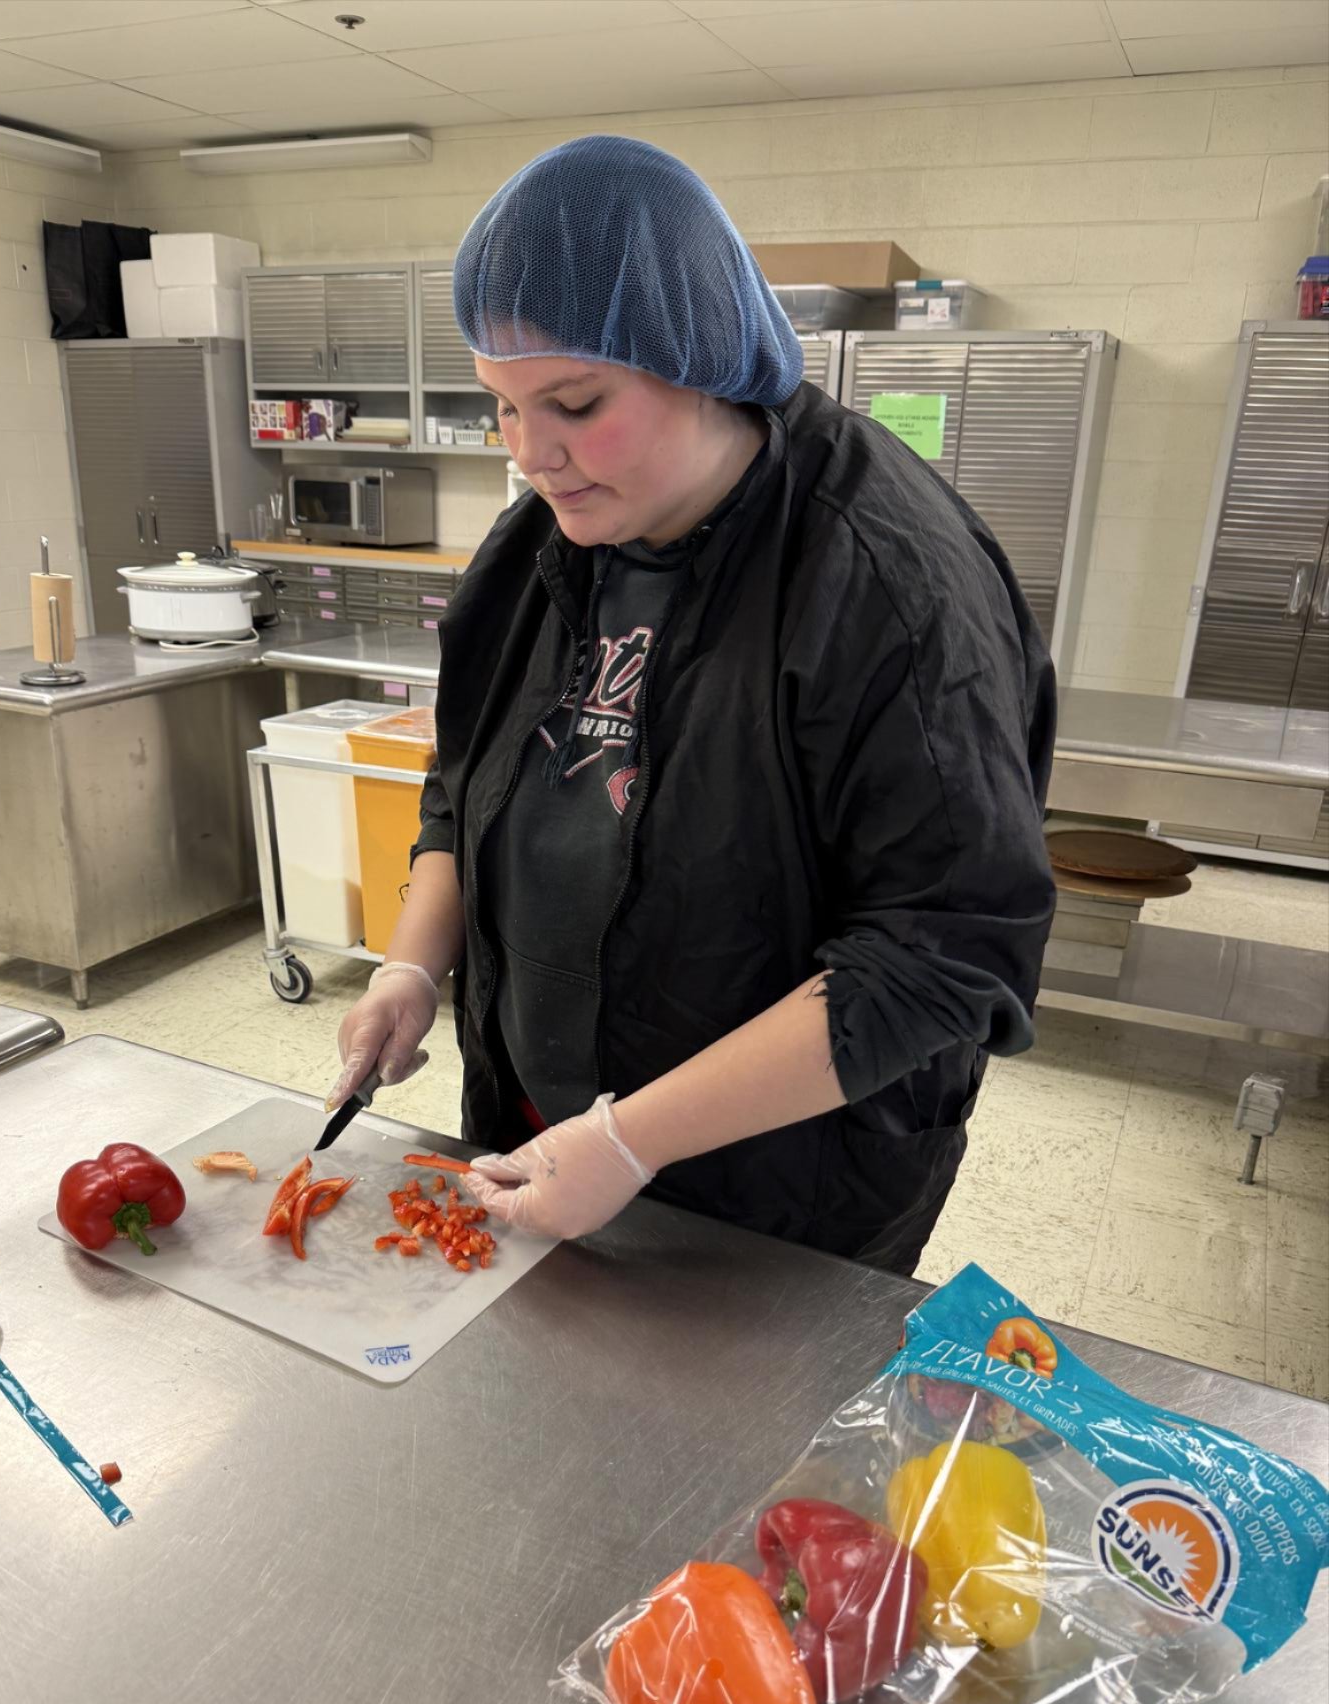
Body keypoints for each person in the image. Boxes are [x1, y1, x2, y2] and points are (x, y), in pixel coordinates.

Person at [327, 133, 1056, 1275]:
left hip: (781, 1193)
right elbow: (464, 786)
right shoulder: (542, 548)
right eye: (505, 410)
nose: (535, 456)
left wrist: (631, 1140)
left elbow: (942, 956)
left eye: (574, 402)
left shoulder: (885, 579)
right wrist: (416, 966)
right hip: (535, 1142)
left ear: (700, 356)